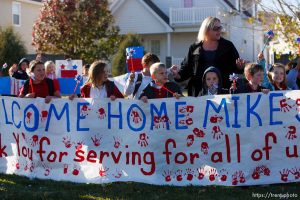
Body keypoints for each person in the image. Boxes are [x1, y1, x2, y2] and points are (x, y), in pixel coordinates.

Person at [170, 16, 245, 96]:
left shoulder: (228, 46)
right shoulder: (194, 48)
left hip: (223, 91)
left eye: (220, 28)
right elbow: (186, 69)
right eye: (216, 28)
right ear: (206, 30)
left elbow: (236, 70)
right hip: (199, 93)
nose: (219, 31)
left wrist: (240, 67)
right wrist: (177, 74)